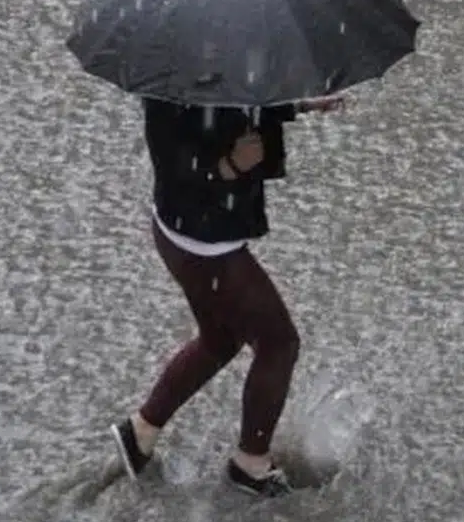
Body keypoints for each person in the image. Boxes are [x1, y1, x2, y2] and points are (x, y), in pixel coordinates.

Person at [110, 92, 345, 497]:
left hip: (185, 233)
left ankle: (142, 431)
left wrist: (299, 104)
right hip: (204, 245)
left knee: (220, 339)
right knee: (279, 343)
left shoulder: (216, 66)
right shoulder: (173, 86)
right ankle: (250, 464)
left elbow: (239, 103)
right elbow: (175, 164)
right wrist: (230, 166)